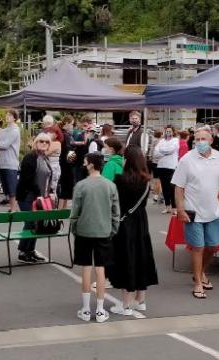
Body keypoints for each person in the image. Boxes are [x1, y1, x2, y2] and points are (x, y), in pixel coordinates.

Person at [173, 128, 219, 300]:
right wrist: (180, 209)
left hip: (214, 211)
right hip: (193, 210)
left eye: (204, 138)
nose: (200, 142)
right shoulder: (187, 159)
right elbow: (179, 187)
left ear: (211, 140)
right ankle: (198, 282)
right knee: (198, 247)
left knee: (213, 246)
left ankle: (201, 272)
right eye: (197, 139)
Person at [107, 146, 157, 316]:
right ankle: (140, 300)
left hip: (124, 223)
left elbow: (114, 203)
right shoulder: (146, 180)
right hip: (141, 222)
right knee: (141, 257)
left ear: (127, 160)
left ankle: (125, 305)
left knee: (125, 259)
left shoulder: (120, 180)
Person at [71, 152, 120, 323]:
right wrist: (113, 228)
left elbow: (75, 211)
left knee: (86, 268)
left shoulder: (81, 185)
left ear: (91, 164)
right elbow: (116, 212)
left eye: (85, 162)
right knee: (100, 269)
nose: (84, 164)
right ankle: (99, 310)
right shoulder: (110, 186)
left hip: (84, 230)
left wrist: (74, 226)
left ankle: (85, 309)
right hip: (104, 231)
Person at [14, 133, 55, 263]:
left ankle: (30, 250)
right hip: (28, 196)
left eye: (47, 142)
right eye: (41, 141)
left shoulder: (44, 157)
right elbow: (27, 179)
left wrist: (50, 191)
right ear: (36, 142)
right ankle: (23, 251)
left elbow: (48, 177)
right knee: (30, 223)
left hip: (41, 197)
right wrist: (38, 194)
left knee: (37, 223)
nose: (44, 144)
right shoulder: (30, 158)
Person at [0, 110, 21, 211]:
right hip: (2, 163)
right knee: (6, 189)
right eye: (7, 115)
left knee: (11, 189)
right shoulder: (5, 130)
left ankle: (13, 209)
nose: (7, 116)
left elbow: (4, 145)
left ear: (15, 118)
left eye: (10, 115)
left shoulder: (15, 130)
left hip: (11, 163)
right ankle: (11, 208)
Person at [153, 126, 180, 215]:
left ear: (173, 132)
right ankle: (167, 206)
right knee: (164, 187)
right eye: (167, 131)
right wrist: (164, 152)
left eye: (170, 131)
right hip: (161, 166)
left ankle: (174, 207)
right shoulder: (161, 141)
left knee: (171, 187)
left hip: (171, 166)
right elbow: (156, 153)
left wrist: (162, 151)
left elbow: (171, 150)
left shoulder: (175, 140)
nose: (168, 132)